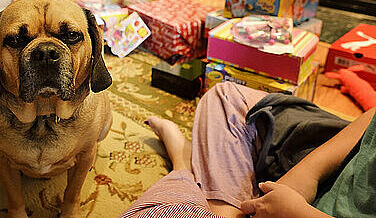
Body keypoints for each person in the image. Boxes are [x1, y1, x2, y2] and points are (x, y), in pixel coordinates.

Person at [122, 82, 376, 218]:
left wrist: (300, 214)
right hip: (341, 166)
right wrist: (307, 175)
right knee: (226, 97)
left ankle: (182, 163)